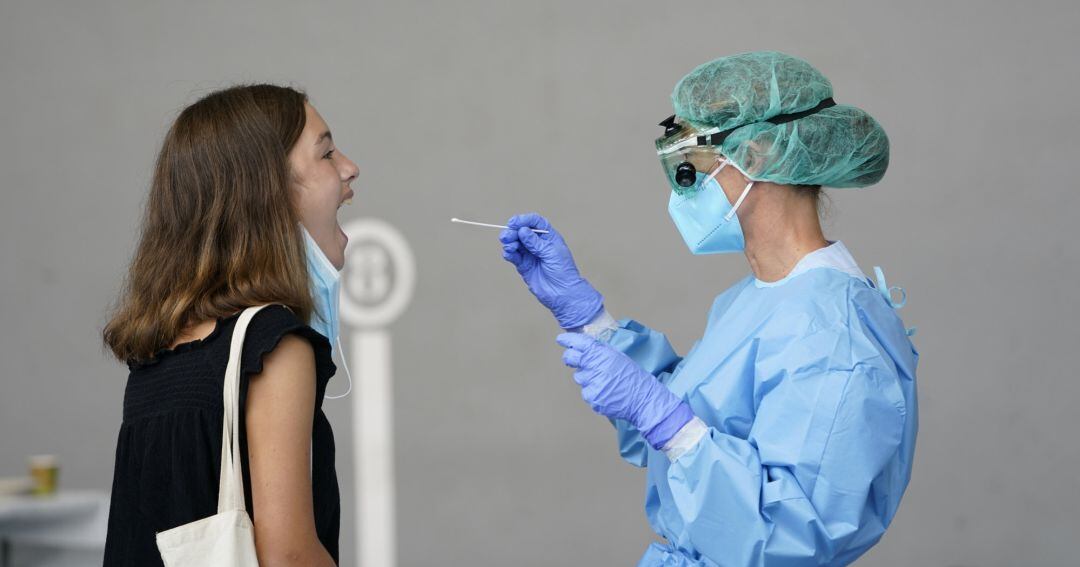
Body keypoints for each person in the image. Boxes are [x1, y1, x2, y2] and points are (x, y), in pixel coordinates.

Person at [499, 51, 918, 566]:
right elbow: (688, 427)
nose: (682, 184)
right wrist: (592, 322)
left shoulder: (834, 334)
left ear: (758, 153)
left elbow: (794, 538)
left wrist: (665, 419)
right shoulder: (756, 299)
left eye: (689, 162)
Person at [100, 84, 358, 566]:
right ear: (268, 193)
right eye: (325, 154)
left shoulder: (156, 355)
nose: (349, 167)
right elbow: (288, 556)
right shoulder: (274, 346)